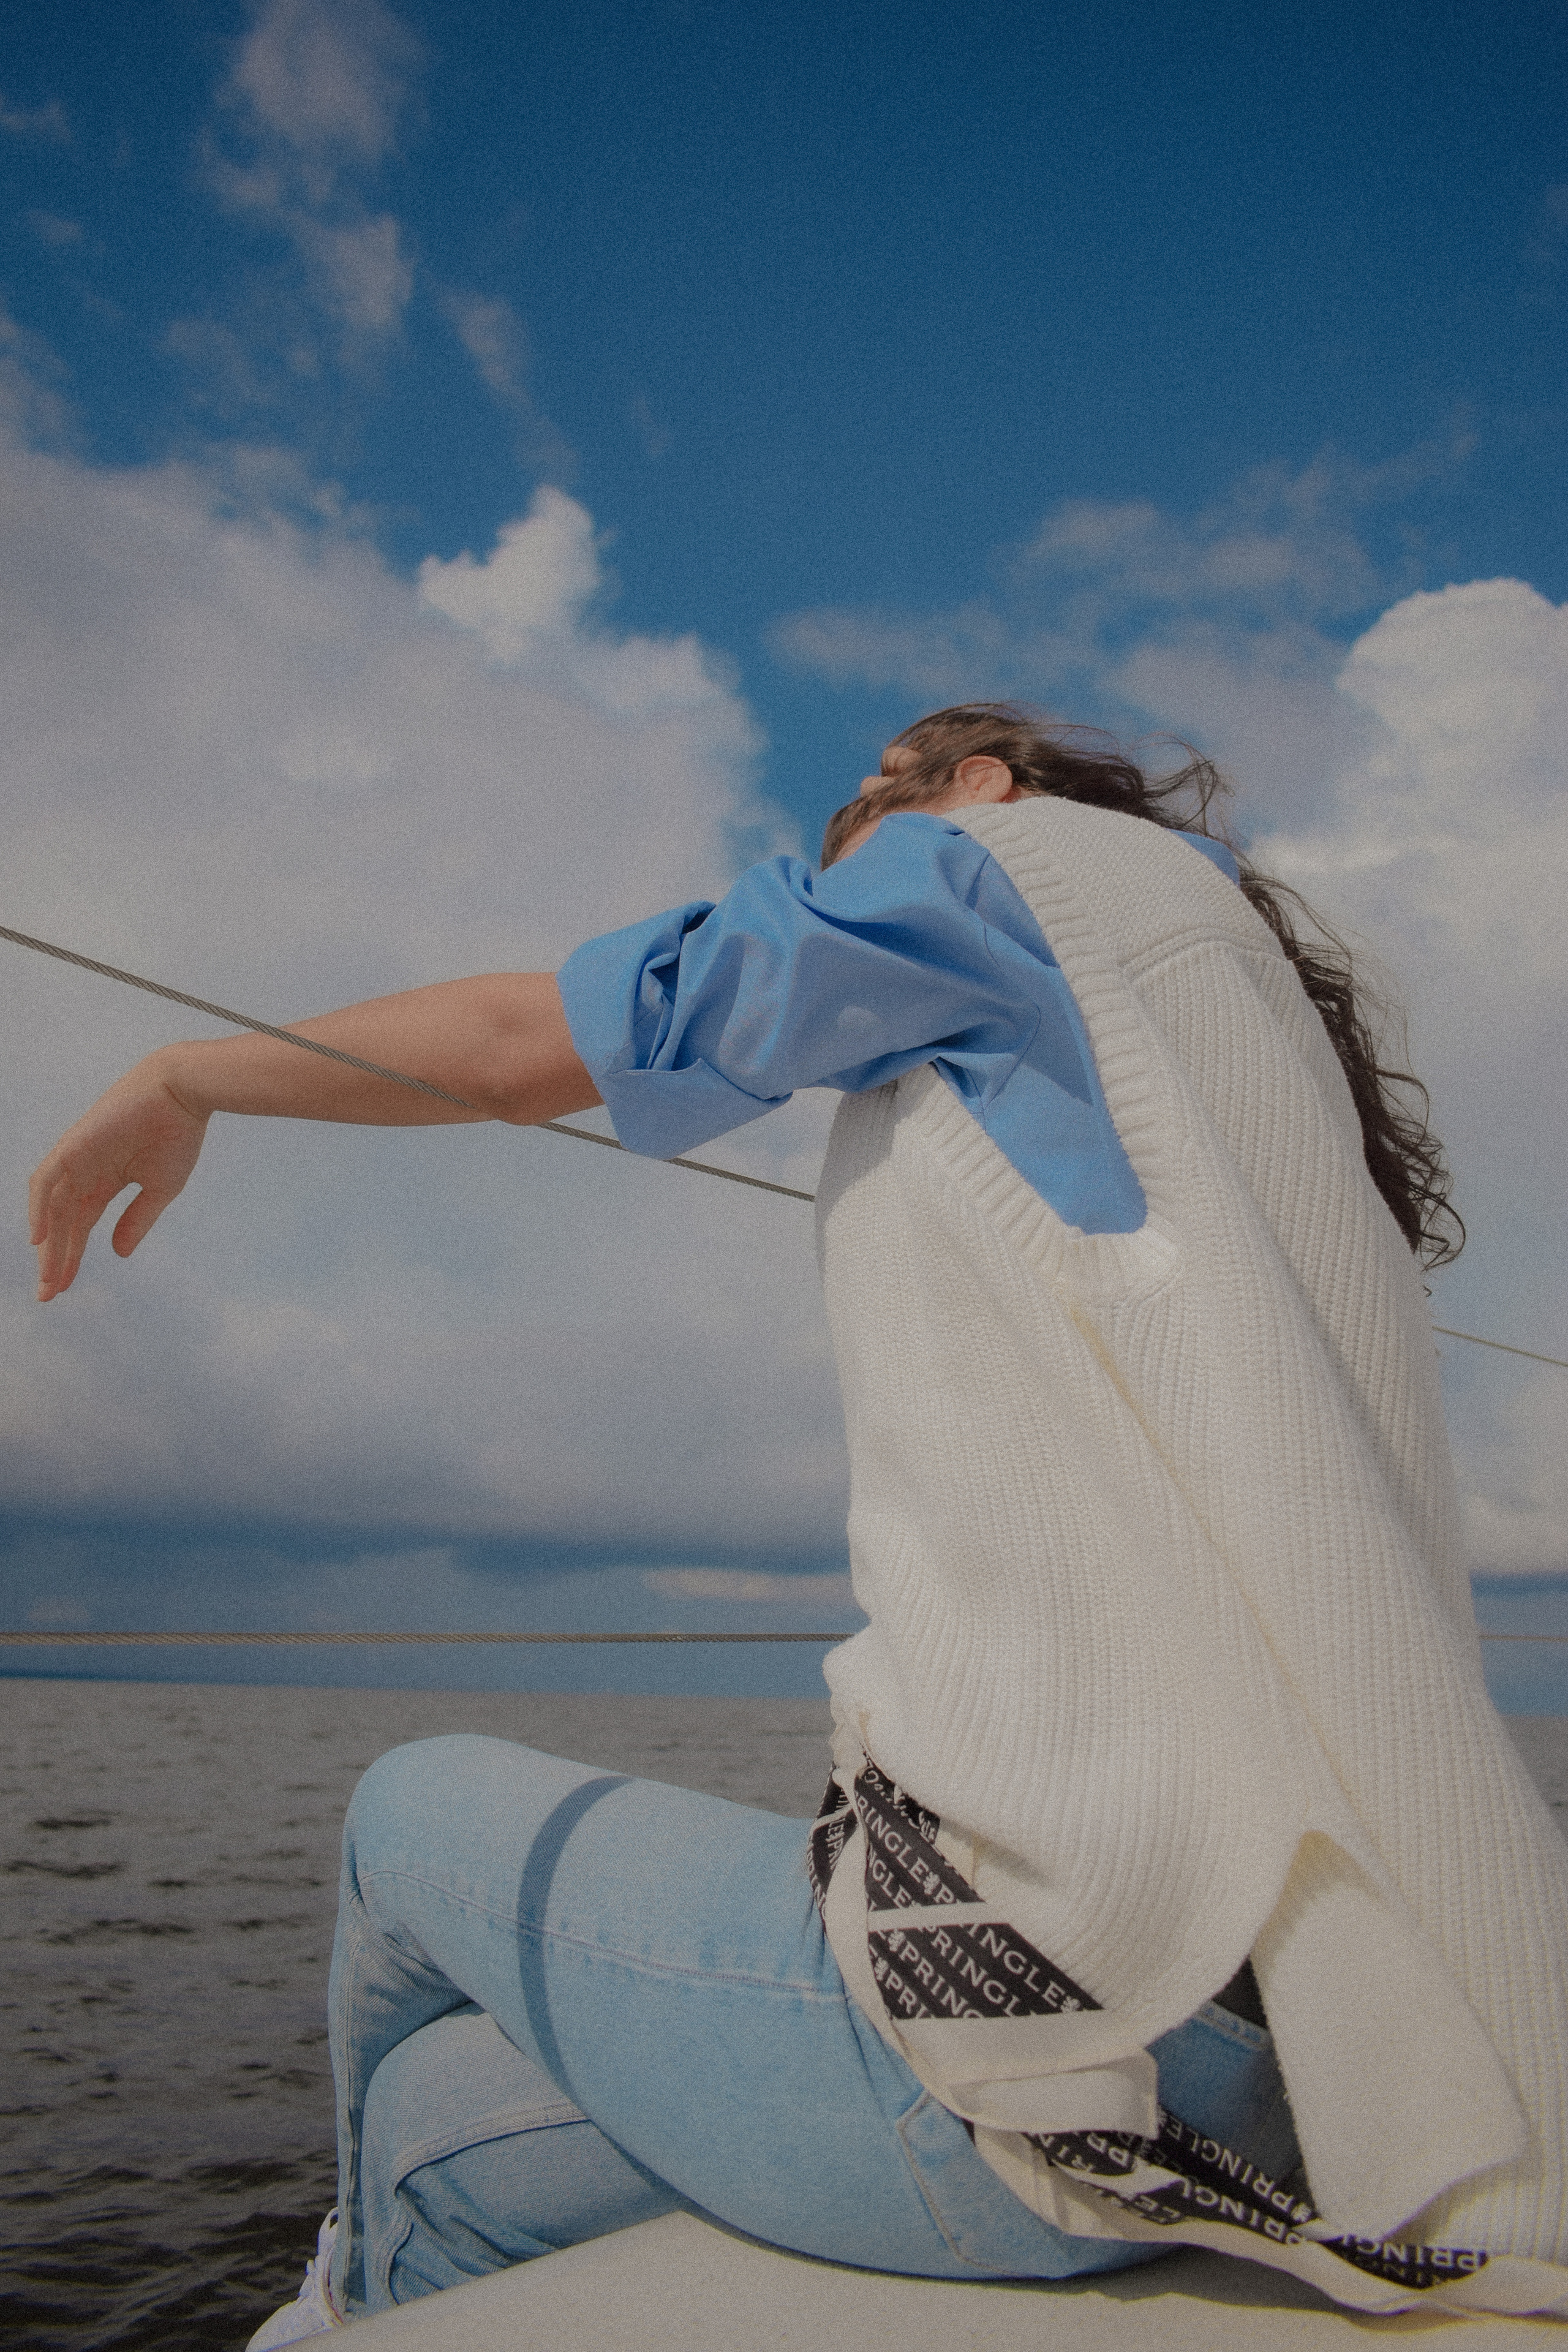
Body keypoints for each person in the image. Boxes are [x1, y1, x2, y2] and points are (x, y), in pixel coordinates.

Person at [29, 707, 1568, 2335]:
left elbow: (513, 1044)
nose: (844, 830)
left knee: (403, 1814)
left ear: (981, 786)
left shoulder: (993, 869)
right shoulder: (1241, 1060)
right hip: (1302, 2045)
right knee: (435, 2141)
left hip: (1073, 2046)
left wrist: (183, 1070)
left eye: (871, 796)